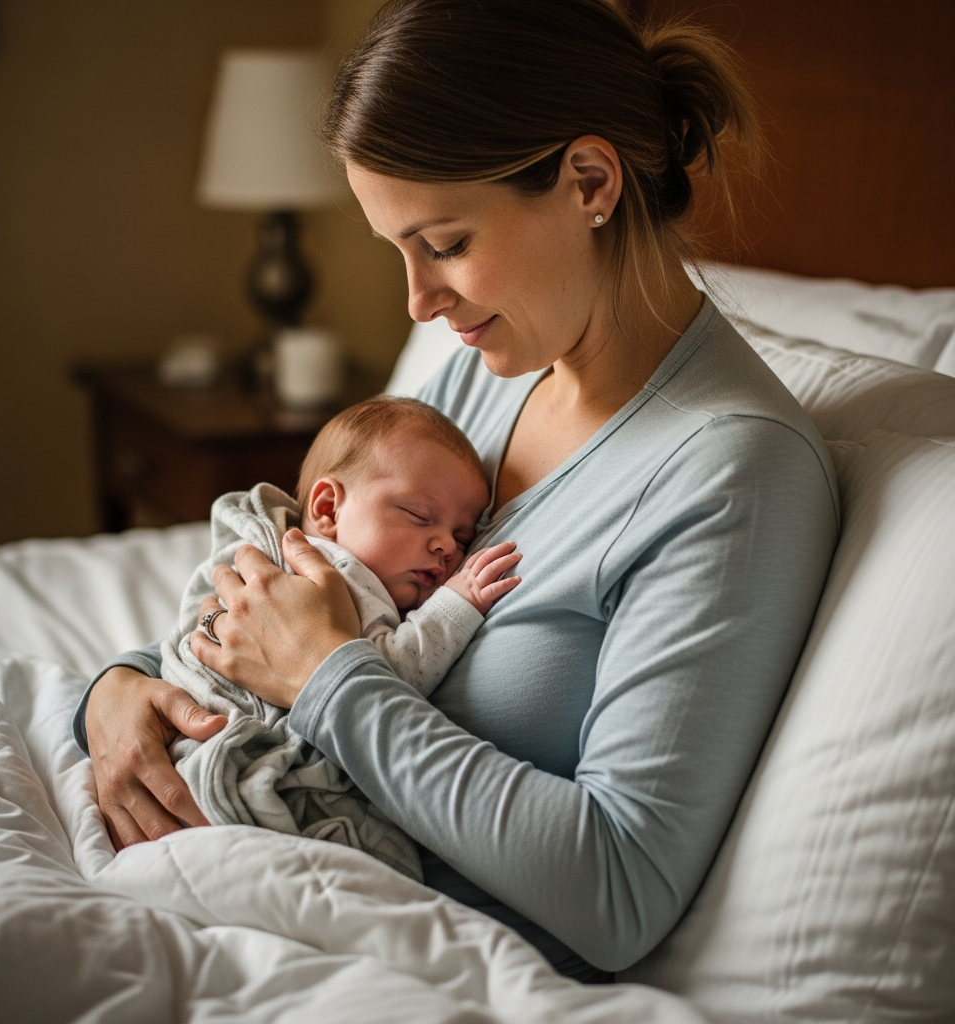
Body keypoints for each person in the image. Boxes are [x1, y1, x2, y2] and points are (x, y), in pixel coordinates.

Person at [78, 0, 839, 982]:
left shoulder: (731, 472)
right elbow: (315, 592)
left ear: (590, 182)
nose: (416, 303)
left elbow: (621, 887)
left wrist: (328, 679)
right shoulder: (486, 368)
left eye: (441, 243)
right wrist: (120, 689)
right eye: (398, 250)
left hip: (384, 951)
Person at [97, 396, 520, 879]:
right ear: (327, 507)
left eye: (462, 537)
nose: (446, 545)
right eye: (419, 516)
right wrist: (456, 605)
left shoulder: (281, 548)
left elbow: (353, 689)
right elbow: (389, 675)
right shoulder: (346, 576)